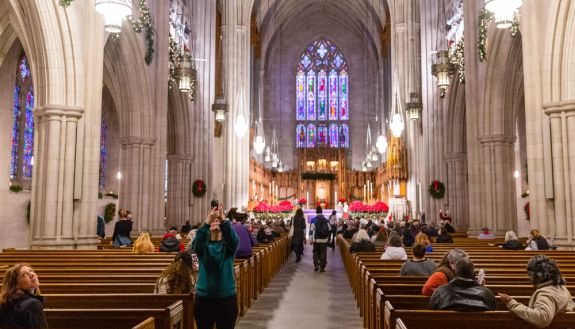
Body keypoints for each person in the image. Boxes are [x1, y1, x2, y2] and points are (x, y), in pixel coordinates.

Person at [192, 205, 239, 329]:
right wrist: (207, 221)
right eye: (213, 221)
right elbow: (196, 245)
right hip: (204, 298)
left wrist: (224, 220)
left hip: (226, 298)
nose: (215, 221)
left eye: (217, 221)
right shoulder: (203, 246)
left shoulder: (228, 247)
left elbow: (233, 240)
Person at [499, 255, 575, 328]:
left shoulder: (545, 293)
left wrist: (512, 304)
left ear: (537, 275)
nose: (529, 278)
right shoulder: (563, 288)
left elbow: (542, 319)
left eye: (530, 275)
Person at [429, 258, 496, 311]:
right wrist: (482, 289)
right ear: (474, 274)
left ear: (455, 273)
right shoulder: (487, 294)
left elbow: (432, 310)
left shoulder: (440, 291)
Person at [0, 263, 48, 329]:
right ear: (16, 284)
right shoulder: (32, 305)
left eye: (31, 271)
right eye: (24, 274)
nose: (32, 274)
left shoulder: (5, 303)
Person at [311, 206, 330, 272]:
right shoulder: (326, 219)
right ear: (322, 211)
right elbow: (329, 229)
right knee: (323, 253)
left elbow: (311, 230)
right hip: (324, 239)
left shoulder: (313, 219)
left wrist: (311, 239)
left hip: (316, 239)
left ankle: (316, 265)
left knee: (315, 252)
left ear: (316, 211)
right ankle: (322, 267)